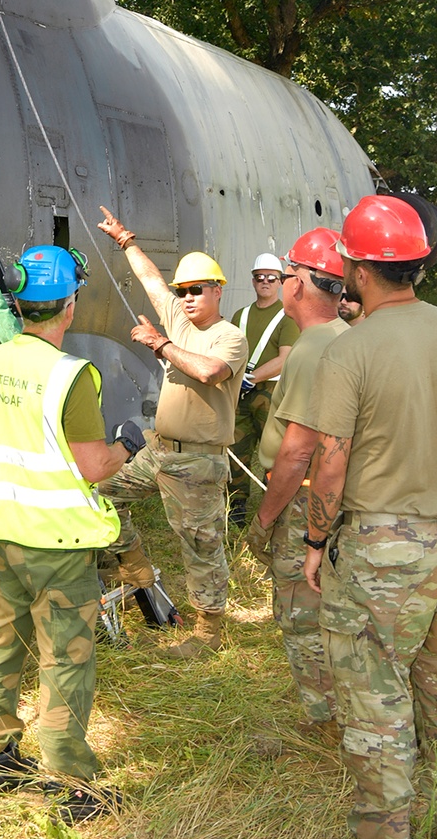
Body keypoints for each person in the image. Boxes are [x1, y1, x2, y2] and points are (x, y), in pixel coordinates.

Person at [301, 194, 437, 839]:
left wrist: (318, 540)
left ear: (357, 266)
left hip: (383, 552)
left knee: (378, 710)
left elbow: (332, 458)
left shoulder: (352, 350)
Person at [0, 245, 134, 821]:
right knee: (65, 657)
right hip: (57, 544)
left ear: (19, 303)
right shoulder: (69, 377)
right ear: (69, 305)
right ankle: (72, 785)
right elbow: (93, 466)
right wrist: (131, 443)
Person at [97, 208, 249, 657]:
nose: (185, 298)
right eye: (183, 291)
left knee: (200, 546)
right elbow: (152, 284)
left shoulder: (229, 337)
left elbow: (209, 372)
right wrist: (126, 241)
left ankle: (207, 634)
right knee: (100, 495)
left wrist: (160, 344)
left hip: (199, 460)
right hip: (157, 450)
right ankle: (135, 567)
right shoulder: (180, 319)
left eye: (196, 290)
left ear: (217, 291)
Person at [244, 229, 346, 736]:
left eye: (285, 276)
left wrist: (264, 518)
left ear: (300, 284)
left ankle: (324, 720)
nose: (280, 284)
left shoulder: (309, 349)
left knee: (300, 614)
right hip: (334, 501)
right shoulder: (348, 337)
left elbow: (298, 451)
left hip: (304, 502)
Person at [227, 253, 299, 527]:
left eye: (271, 277)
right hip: (240, 392)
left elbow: (285, 358)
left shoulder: (287, 316)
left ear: (280, 281)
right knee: (237, 448)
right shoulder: (241, 315)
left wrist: (252, 377)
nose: (265, 282)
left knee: (273, 452)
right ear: (253, 281)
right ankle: (237, 506)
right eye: (260, 277)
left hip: (270, 392)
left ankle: (276, 506)